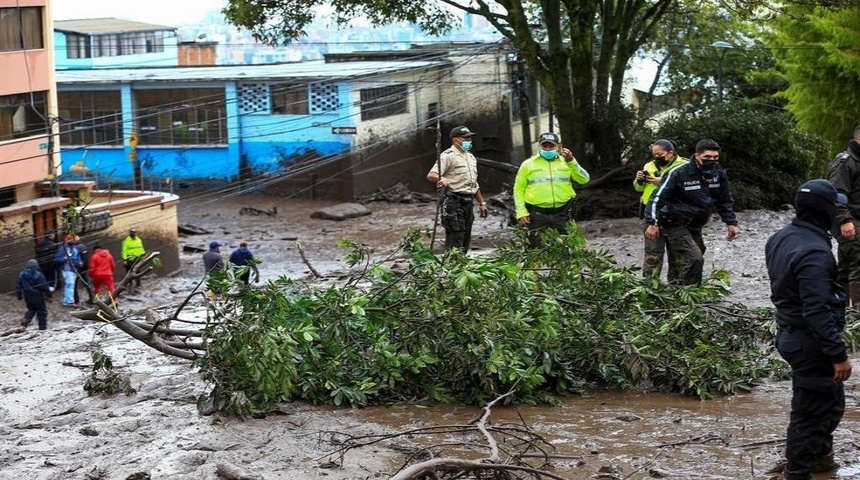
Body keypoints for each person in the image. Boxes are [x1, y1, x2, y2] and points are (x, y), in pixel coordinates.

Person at [765, 179, 853, 480]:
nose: (837, 213)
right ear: (823, 210)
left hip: (789, 333)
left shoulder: (780, 237)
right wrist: (838, 354)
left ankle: (821, 463)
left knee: (833, 403)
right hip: (810, 341)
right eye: (835, 207)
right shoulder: (815, 253)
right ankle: (798, 472)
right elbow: (816, 310)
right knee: (811, 414)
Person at [645, 138, 739, 285]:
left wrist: (731, 222)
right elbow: (657, 198)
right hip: (672, 221)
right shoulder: (679, 173)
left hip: (695, 223)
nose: (712, 160)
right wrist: (653, 222)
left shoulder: (718, 173)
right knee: (694, 257)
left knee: (692, 254)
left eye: (715, 157)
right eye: (707, 157)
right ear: (697, 156)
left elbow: (724, 200)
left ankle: (679, 290)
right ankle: (683, 291)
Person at [513, 132, 590, 247]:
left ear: (558, 146)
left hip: (563, 213)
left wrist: (572, 162)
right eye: (545, 146)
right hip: (536, 215)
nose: (548, 149)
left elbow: (584, 179)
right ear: (539, 146)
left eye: (551, 146)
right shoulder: (527, 165)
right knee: (535, 250)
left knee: (568, 248)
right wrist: (521, 212)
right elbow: (518, 189)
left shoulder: (566, 162)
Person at [426, 125, 489, 251]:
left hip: (468, 201)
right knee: (456, 237)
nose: (469, 141)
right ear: (455, 140)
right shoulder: (447, 155)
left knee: (466, 238)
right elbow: (431, 175)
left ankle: (462, 267)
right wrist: (441, 178)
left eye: (470, 138)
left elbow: (473, 183)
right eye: (466, 138)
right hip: (453, 201)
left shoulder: (470, 157)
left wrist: (481, 202)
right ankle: (453, 267)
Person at [634, 139, 688, 279]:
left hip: (675, 214)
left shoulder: (685, 166)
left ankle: (677, 287)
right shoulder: (649, 165)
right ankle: (649, 288)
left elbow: (690, 189)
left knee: (677, 254)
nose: (657, 157)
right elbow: (639, 188)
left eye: (660, 154)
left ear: (670, 153)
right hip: (650, 212)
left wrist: (664, 182)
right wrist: (639, 180)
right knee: (652, 254)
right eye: (654, 154)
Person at [827, 124, 860, 307]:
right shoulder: (845, 162)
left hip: (855, 219)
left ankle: (843, 311)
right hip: (850, 220)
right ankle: (856, 313)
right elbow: (835, 195)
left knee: (848, 266)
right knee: (856, 264)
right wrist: (845, 220)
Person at [16, 259, 52, 330]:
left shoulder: (21, 275)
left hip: (27, 296)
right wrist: (49, 294)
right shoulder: (38, 275)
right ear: (36, 266)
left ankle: (26, 320)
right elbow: (44, 286)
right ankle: (42, 328)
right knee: (42, 312)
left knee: (31, 310)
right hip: (38, 296)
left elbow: (18, 286)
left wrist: (19, 295)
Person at [55, 234, 83, 308]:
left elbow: (78, 257)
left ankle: (67, 300)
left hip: (74, 269)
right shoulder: (63, 249)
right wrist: (65, 258)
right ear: (67, 240)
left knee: (70, 285)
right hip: (67, 270)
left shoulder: (75, 248)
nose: (73, 241)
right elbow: (57, 259)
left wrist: (80, 262)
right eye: (71, 239)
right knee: (70, 285)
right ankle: (69, 301)